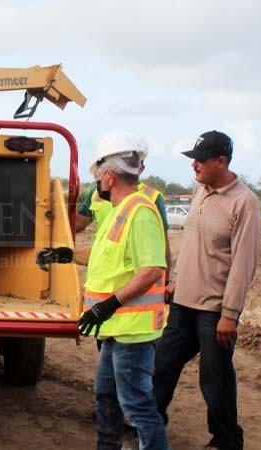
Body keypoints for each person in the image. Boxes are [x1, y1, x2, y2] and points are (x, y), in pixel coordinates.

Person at [153, 130, 261, 450]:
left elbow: (244, 263)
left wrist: (230, 314)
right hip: (184, 303)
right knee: (161, 365)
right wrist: (176, 282)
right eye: (193, 159)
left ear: (221, 161)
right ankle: (149, 422)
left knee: (214, 380)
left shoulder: (245, 203)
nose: (194, 166)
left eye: (200, 160)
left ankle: (227, 440)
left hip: (214, 311)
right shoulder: (200, 190)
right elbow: (192, 246)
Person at [78, 136, 170, 450]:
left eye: (98, 176)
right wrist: (65, 253)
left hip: (132, 331)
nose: (97, 182)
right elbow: (103, 255)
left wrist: (108, 305)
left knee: (137, 406)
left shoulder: (140, 212)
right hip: (115, 328)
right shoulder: (119, 209)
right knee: (106, 397)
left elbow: (152, 269)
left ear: (110, 176)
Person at [76, 131, 172, 273]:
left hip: (129, 288)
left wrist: (166, 281)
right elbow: (81, 229)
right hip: (103, 281)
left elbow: (159, 254)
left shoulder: (148, 203)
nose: (98, 181)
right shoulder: (99, 196)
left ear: (109, 177)